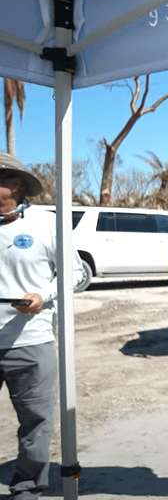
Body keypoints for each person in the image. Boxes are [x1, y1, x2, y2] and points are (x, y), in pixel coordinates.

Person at [0, 152, 82, 500]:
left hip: (30, 341)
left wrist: (44, 295)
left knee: (35, 423)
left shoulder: (46, 223)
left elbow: (76, 273)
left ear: (15, 185)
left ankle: (26, 488)